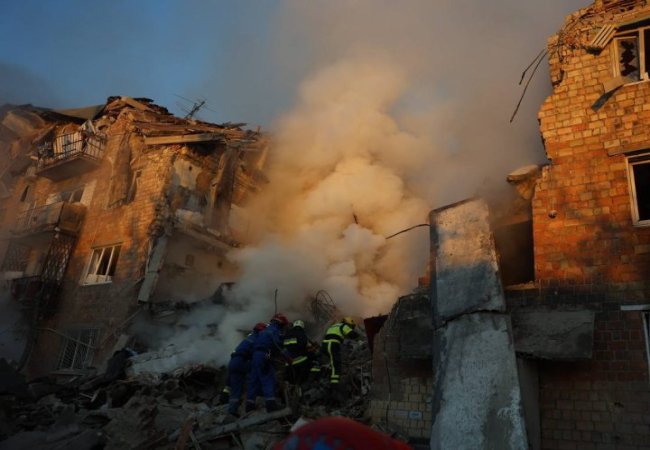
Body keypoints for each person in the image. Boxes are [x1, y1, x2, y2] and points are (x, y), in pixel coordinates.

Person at [246, 313, 291, 412]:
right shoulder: (275, 331)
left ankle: (249, 405)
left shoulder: (263, 331)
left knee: (253, 380)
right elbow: (277, 345)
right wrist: (287, 357)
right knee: (268, 377)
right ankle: (271, 404)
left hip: (255, 356)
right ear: (280, 324)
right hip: (264, 354)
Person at [223, 322, 267, 416]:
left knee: (235, 389)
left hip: (233, 362)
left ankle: (232, 411)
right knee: (257, 372)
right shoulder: (256, 339)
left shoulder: (247, 339)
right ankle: (256, 398)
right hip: (241, 361)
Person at [320, 317, 359, 391]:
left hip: (324, 345)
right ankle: (334, 384)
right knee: (336, 363)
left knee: (331, 361)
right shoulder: (344, 326)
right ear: (348, 323)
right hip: (332, 344)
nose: (351, 328)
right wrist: (359, 336)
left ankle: (326, 374)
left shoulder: (334, 326)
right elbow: (352, 334)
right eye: (351, 326)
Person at [283, 320, 311, 385]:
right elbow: (303, 344)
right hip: (300, 361)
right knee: (303, 379)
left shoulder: (287, 333)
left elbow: (284, 346)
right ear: (302, 326)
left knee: (292, 381)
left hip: (289, 362)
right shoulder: (300, 332)